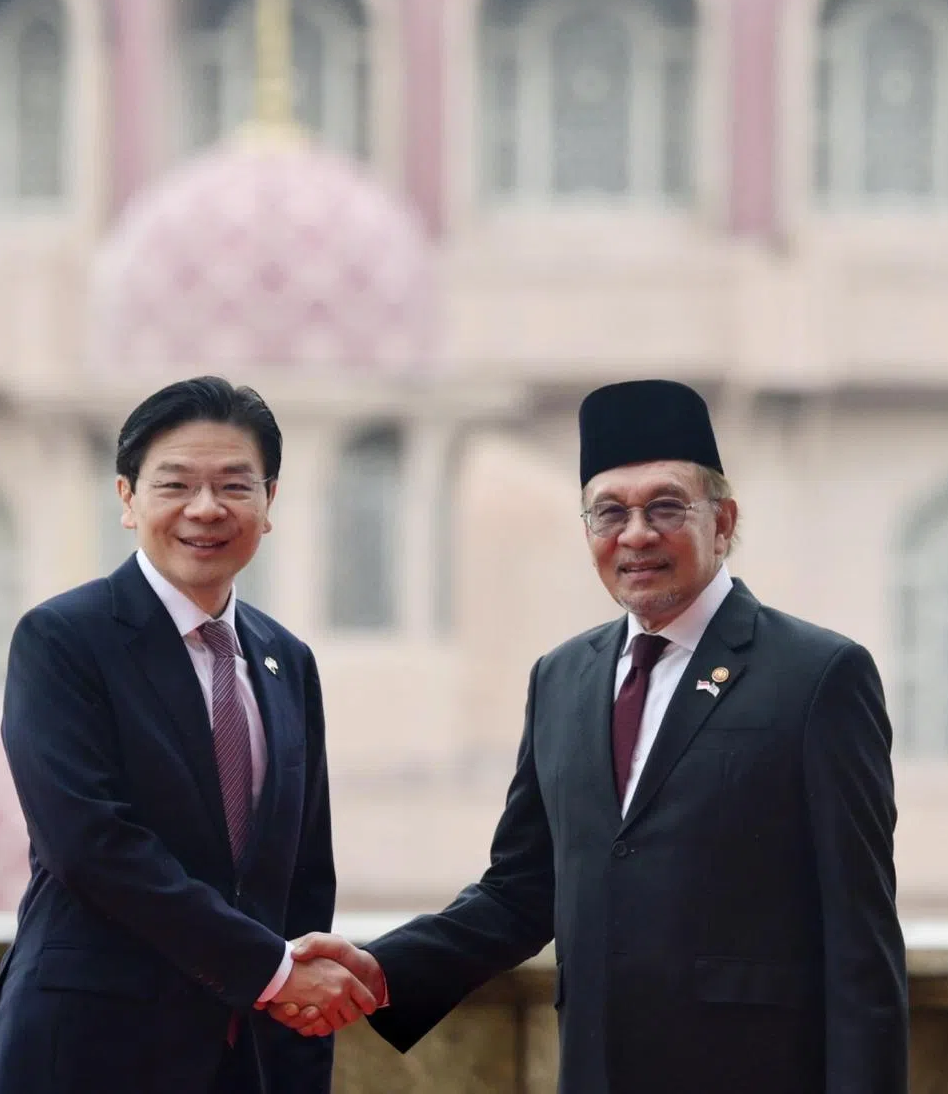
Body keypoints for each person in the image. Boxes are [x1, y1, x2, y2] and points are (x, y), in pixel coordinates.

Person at [278, 379, 909, 1094]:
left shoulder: (818, 675)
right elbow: (522, 890)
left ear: (724, 521)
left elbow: (861, 943)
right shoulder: (562, 679)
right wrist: (383, 969)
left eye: (666, 506)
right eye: (610, 512)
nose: (636, 533)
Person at [0, 377, 375, 1094]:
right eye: (175, 484)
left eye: (235, 486)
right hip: (89, 1052)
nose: (205, 509)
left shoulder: (286, 661)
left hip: (249, 1059)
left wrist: (300, 1035)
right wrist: (273, 973)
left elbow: (303, 874)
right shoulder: (64, 639)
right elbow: (91, 845)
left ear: (269, 504)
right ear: (127, 499)